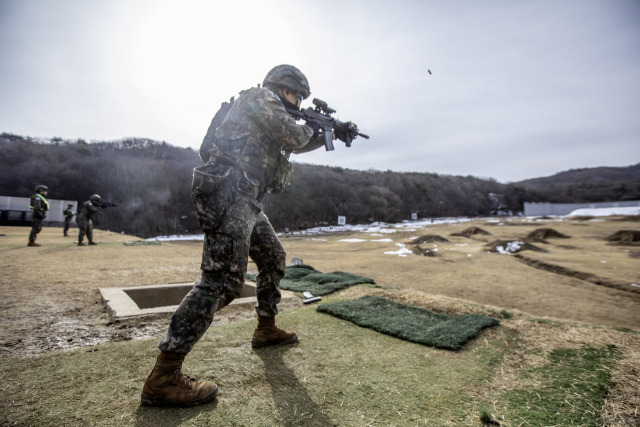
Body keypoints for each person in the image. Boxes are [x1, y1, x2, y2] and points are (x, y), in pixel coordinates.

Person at [141, 64, 328, 407]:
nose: (299, 102)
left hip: (246, 198)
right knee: (222, 280)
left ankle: (266, 328)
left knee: (273, 258)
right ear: (279, 87)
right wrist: (317, 129)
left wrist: (321, 130)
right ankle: (164, 375)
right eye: (295, 94)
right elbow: (295, 137)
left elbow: (293, 140)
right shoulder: (260, 97)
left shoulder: (268, 107)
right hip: (229, 193)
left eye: (302, 98)